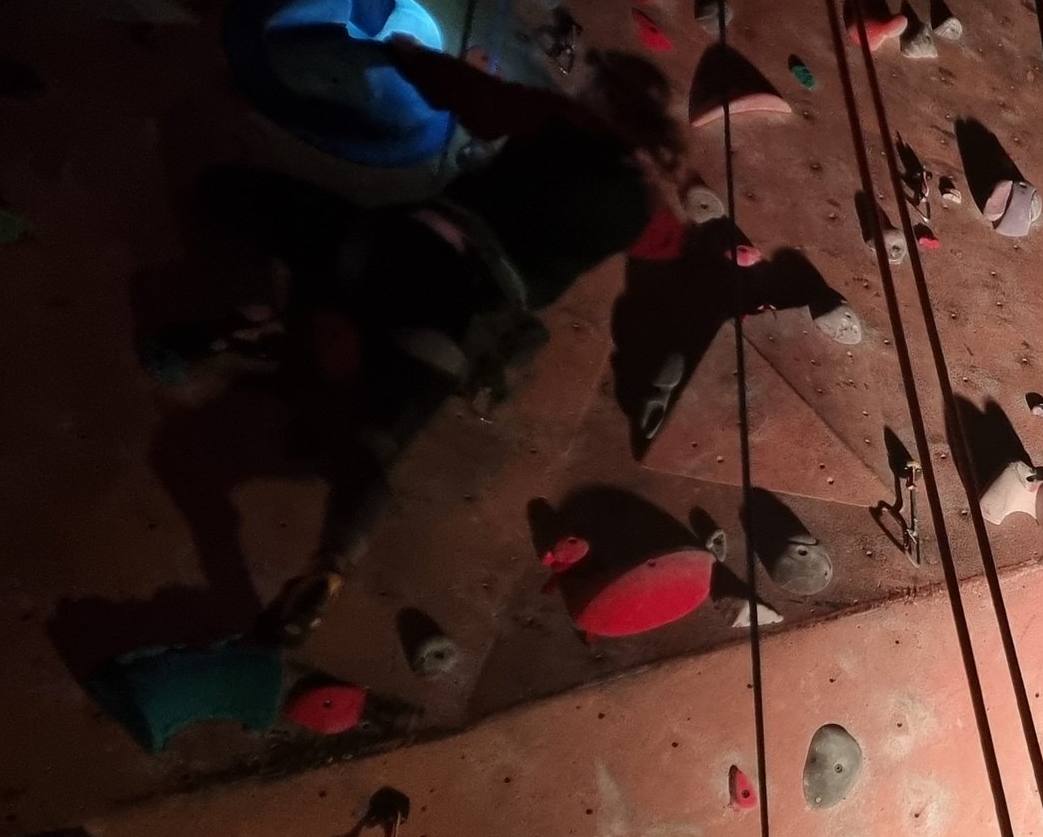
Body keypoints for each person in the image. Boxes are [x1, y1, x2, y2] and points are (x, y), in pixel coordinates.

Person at [154, 37, 684, 647]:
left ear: (601, 100)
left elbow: (463, 92)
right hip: (458, 317)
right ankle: (331, 564)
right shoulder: (640, 211)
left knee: (227, 191)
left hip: (392, 247)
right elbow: (667, 241)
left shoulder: (556, 119)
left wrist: (401, 51)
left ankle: (269, 326)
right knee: (370, 448)